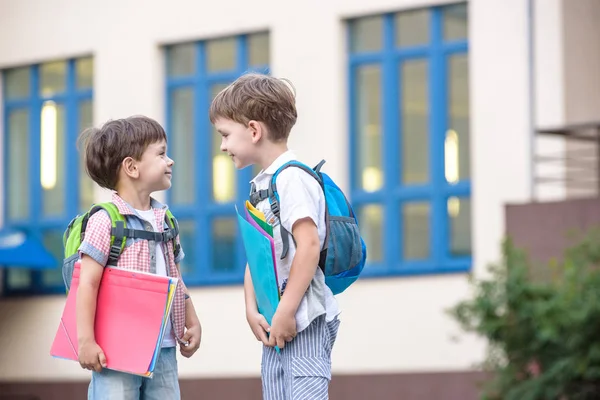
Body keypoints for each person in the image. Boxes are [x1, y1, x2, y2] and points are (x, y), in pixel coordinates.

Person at [210, 73, 341, 399]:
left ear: (254, 130)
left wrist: (285, 310)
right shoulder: (262, 185)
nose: (223, 146)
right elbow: (260, 255)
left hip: (304, 318)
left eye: (225, 135)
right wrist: (250, 307)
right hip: (278, 317)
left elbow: (309, 246)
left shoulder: (292, 179)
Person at [76, 116, 201, 400]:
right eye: (161, 154)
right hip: (115, 350)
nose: (170, 161)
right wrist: (86, 341)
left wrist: (191, 320)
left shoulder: (166, 220)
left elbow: (176, 278)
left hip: (164, 346)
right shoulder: (106, 220)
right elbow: (88, 285)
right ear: (131, 167)